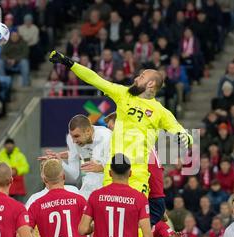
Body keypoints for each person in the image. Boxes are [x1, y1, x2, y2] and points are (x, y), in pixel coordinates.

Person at [49, 50, 191, 197]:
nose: (136, 78)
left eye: (141, 76)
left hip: (137, 176)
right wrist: (69, 63)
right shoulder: (124, 94)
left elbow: (179, 130)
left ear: (151, 83)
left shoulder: (161, 112)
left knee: (135, 219)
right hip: (112, 174)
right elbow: (95, 79)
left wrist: (184, 137)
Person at [39, 115, 111, 200]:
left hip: (109, 188)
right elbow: (75, 172)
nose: (74, 141)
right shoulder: (74, 140)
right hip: (89, 185)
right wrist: (60, 160)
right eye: (72, 136)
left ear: (88, 131)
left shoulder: (106, 137)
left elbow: (122, 166)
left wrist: (102, 168)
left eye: (76, 136)